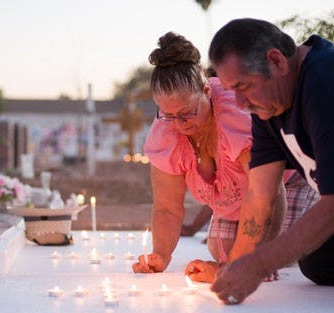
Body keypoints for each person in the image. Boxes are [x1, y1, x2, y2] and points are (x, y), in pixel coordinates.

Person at [207, 18, 334, 305]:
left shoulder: (329, 81)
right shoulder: (268, 108)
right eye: (232, 91)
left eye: (243, 86)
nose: (240, 103)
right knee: (320, 258)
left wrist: (258, 265)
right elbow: (259, 195)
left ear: (277, 61)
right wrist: (234, 266)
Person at [132, 31, 318, 281]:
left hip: (286, 183)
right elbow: (167, 208)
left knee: (289, 252)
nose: (179, 123)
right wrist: (161, 255)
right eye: (169, 115)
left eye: (187, 112)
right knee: (225, 250)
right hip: (238, 198)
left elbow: (270, 192)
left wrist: (258, 261)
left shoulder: (236, 117)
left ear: (207, 90)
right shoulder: (167, 132)